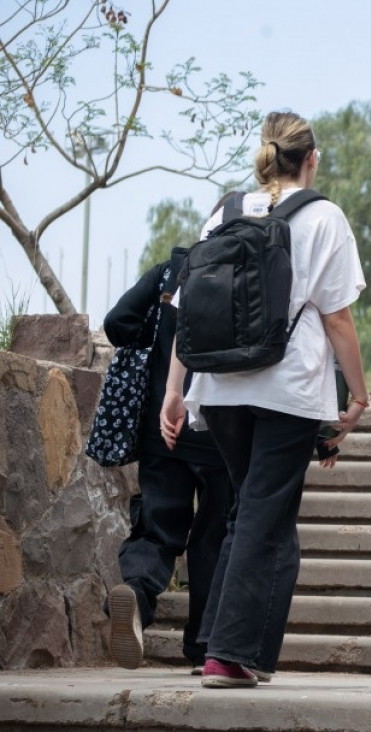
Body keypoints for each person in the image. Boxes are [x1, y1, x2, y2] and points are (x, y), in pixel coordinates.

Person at [160, 110, 370, 688]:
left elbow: (189, 314)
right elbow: (339, 318)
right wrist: (357, 394)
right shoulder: (324, 215)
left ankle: (218, 643)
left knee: (250, 509)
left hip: (219, 388)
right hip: (287, 386)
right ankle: (228, 654)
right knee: (260, 511)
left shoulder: (225, 211)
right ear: (312, 159)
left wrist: (175, 392)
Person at [102, 252, 232, 673]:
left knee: (156, 526)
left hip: (164, 426)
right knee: (212, 536)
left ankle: (137, 595)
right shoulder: (256, 271)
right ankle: (205, 647)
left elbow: (117, 322)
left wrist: (156, 344)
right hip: (222, 430)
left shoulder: (172, 270)